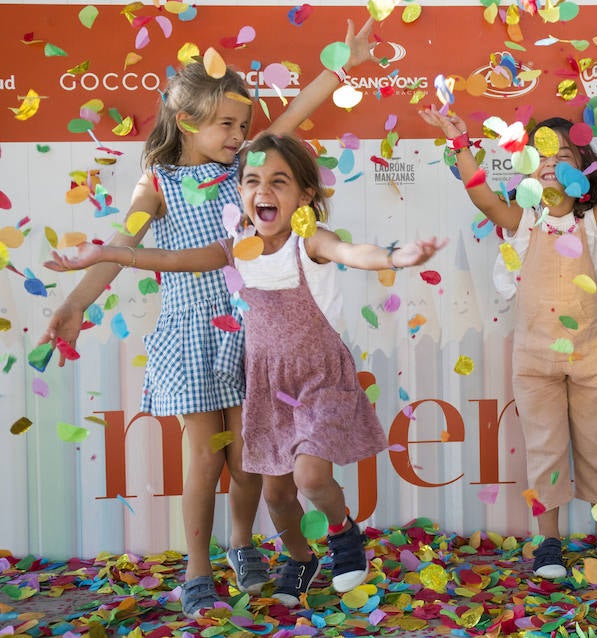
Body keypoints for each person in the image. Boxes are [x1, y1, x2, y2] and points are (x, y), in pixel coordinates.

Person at [37, 18, 382, 618]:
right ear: (187, 119)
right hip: (194, 334)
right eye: (227, 123)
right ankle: (198, 570)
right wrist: (74, 305)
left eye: (243, 125)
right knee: (205, 457)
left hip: (253, 333)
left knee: (250, 459)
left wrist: (342, 66)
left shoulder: (245, 169)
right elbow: (124, 245)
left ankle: (244, 547)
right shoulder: (159, 182)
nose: (238, 134)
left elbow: (295, 112)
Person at [45, 132, 448, 605]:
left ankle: (342, 533)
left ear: (305, 196)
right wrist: (107, 253)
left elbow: (350, 252)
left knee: (311, 478)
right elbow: (172, 259)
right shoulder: (236, 246)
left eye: (280, 181)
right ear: (239, 193)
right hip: (267, 386)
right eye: (253, 180)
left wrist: (395, 257)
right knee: (276, 495)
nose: (264, 191)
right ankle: (301, 557)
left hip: (318, 380)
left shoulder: (310, 241)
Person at [419, 91, 597, 578]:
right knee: (545, 447)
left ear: (585, 176)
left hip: (591, 356)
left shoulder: (591, 224)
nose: (552, 164)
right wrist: (460, 143)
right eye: (542, 155)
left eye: (565, 157)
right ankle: (548, 539)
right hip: (534, 363)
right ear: (527, 171)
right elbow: (481, 195)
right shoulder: (521, 223)